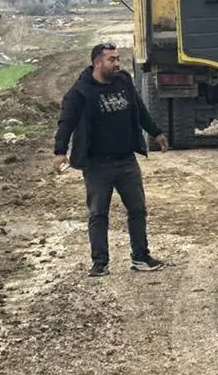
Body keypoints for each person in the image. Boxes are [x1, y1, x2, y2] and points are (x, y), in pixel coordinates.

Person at [53, 41, 169, 276]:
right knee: (98, 213)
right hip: (97, 164)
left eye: (117, 59)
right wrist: (60, 152)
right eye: (112, 60)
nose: (117, 63)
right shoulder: (80, 92)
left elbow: (139, 110)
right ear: (97, 63)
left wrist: (156, 132)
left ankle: (140, 257)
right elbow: (66, 122)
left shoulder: (124, 81)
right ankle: (100, 263)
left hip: (126, 160)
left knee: (137, 209)